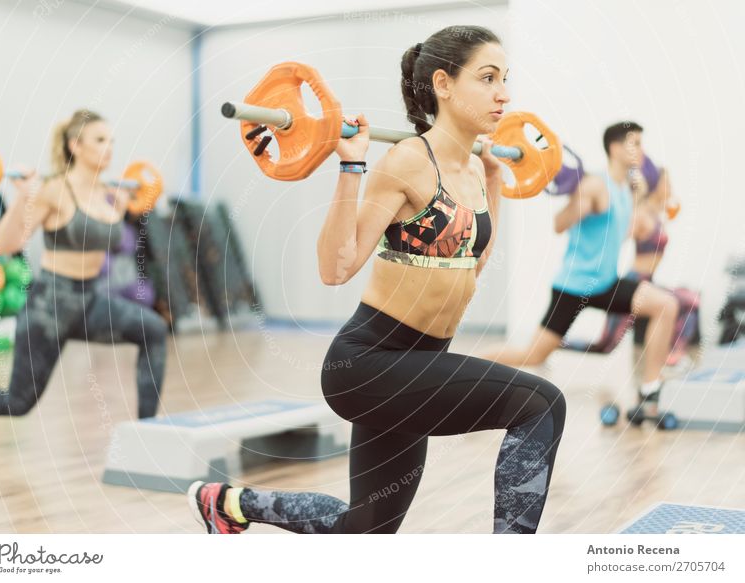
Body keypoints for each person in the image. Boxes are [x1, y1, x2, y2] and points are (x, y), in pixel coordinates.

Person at [187, 25, 566, 535]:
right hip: (369, 363)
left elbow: (470, 265)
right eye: (488, 77)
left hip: (419, 365)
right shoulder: (408, 161)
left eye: (505, 79)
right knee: (541, 403)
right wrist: (352, 165)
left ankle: (229, 503)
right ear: (444, 84)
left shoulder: (476, 170)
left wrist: (495, 182)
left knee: (366, 528)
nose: (504, 93)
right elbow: (335, 268)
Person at [0, 110, 167, 445]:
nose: (109, 148)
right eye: (100, 140)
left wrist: (122, 207)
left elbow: (103, 237)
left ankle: (147, 435)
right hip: (48, 307)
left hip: (89, 300)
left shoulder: (104, 192)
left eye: (112, 141)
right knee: (17, 402)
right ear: (75, 145)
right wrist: (24, 197)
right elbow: (3, 245)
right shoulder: (53, 190)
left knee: (153, 329)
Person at [482, 122, 679, 412]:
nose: (640, 150)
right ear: (615, 148)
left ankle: (650, 387)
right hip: (573, 286)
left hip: (606, 283)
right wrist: (583, 204)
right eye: (634, 143)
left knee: (666, 305)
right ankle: (471, 366)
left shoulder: (625, 189)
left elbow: (619, 233)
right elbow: (559, 224)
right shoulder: (595, 185)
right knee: (533, 355)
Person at [574, 165, 699, 366]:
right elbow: (619, 235)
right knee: (605, 346)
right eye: (665, 183)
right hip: (635, 281)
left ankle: (673, 353)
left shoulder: (656, 213)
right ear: (655, 185)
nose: (669, 186)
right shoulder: (641, 213)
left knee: (690, 300)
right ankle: (555, 343)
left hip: (649, 282)